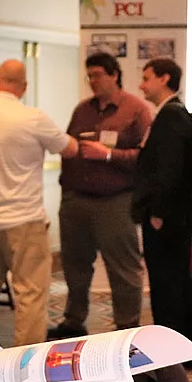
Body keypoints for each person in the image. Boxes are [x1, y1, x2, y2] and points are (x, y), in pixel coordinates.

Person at [0, 59, 79, 345]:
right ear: (24, 86)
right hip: (25, 221)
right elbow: (69, 148)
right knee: (30, 295)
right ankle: (26, 362)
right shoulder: (33, 118)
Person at [49, 52, 152, 340]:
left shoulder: (136, 110)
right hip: (76, 200)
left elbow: (146, 158)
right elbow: (69, 146)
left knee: (123, 268)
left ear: (114, 75)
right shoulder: (82, 110)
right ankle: (74, 320)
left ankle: (127, 327)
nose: (92, 81)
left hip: (115, 201)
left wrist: (108, 155)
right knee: (75, 266)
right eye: (89, 76)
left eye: (97, 75)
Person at [133, 57, 192, 366]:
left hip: (167, 219)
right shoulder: (173, 113)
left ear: (164, 79)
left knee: (168, 287)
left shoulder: (171, 117)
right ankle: (187, 352)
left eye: (147, 78)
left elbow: (169, 170)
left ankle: (172, 357)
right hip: (175, 218)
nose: (141, 85)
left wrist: (158, 213)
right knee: (179, 282)